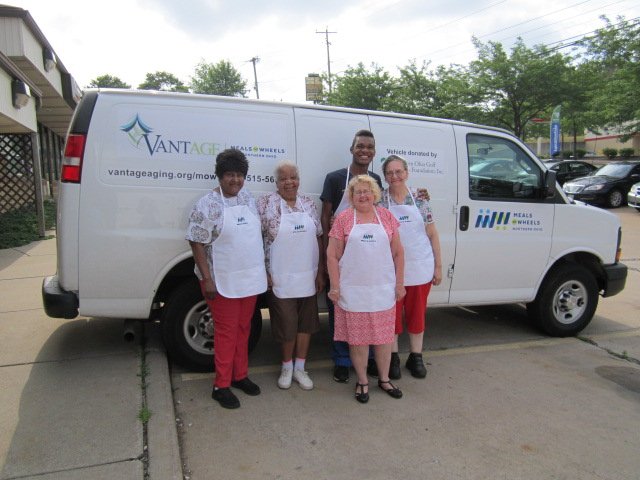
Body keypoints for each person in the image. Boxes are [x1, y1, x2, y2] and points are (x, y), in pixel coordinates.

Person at [186, 148, 267, 409]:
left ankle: (239, 375)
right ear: (220, 176)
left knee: (244, 329)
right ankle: (221, 385)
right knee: (226, 332)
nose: (236, 180)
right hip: (221, 280)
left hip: (249, 278)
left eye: (240, 175)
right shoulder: (207, 204)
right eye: (230, 175)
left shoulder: (247, 197)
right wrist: (207, 279)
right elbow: (196, 242)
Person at [326, 175, 405, 403]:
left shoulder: (387, 217)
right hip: (353, 292)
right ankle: (362, 381)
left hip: (383, 290)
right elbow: (332, 255)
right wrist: (335, 287)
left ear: (375, 194)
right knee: (358, 341)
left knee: (384, 339)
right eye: (358, 192)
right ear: (351, 197)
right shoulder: (343, 219)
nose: (363, 195)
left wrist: (399, 283)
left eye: (367, 191)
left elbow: (398, 253)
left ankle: (384, 379)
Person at [320, 129, 382, 384]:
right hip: (340, 257)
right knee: (340, 310)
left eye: (369, 147)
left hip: (367, 258)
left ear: (374, 152)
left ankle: (369, 358)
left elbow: (379, 216)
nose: (364, 151)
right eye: (360, 146)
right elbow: (325, 216)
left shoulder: (376, 179)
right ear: (352, 149)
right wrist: (328, 260)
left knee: (367, 309)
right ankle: (342, 360)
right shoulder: (334, 178)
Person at [257, 161, 324, 391]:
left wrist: (320, 271)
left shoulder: (308, 203)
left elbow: (318, 236)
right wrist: (264, 271)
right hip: (280, 274)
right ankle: (286, 367)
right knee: (286, 323)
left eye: (293, 177)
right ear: (276, 182)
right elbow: (255, 239)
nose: (289, 182)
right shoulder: (265, 203)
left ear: (299, 180)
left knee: (306, 323)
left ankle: (300, 368)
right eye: (283, 178)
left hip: (308, 274)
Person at [381, 155, 442, 379]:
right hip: (391, 271)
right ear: (385, 177)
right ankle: (393, 357)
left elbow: (432, 233)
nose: (395, 176)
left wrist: (438, 266)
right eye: (390, 173)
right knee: (393, 316)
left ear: (406, 173)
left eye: (399, 171)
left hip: (420, 267)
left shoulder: (420, 198)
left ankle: (416, 356)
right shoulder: (380, 200)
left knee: (417, 315)